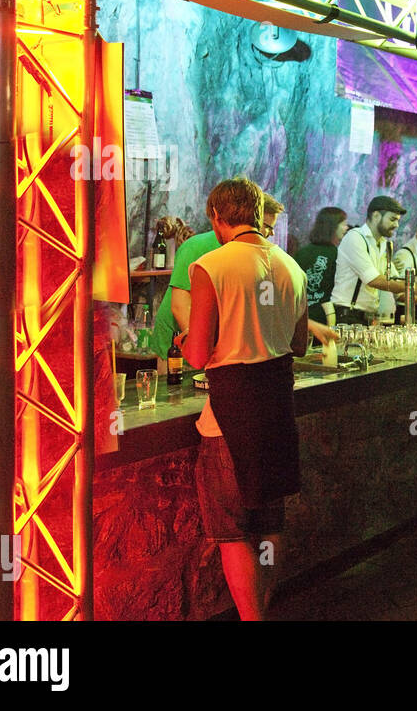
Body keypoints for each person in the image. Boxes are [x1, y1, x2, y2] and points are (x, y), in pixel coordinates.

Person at [177, 177, 308, 621]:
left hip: (230, 420)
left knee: (233, 531)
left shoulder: (211, 266)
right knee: (270, 523)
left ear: (217, 216)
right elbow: (301, 343)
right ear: (255, 213)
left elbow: (196, 355)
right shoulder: (292, 267)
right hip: (277, 410)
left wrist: (184, 343)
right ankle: (264, 608)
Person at [153, 193, 337, 356]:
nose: (271, 233)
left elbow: (265, 306)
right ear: (252, 218)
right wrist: (196, 342)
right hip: (176, 341)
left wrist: (309, 325)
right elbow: (179, 305)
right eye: (267, 226)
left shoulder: (261, 256)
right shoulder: (198, 246)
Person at [330, 195, 417, 326]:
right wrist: (412, 288)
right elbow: (374, 280)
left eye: (398, 221)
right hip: (347, 315)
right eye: (392, 219)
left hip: (367, 317)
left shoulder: (383, 244)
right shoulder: (355, 238)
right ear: (376, 215)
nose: (396, 225)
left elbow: (396, 280)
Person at [295, 206, 349, 325]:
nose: (346, 228)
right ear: (333, 226)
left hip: (300, 317)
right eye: (344, 224)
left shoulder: (301, 253)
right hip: (324, 318)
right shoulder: (337, 254)